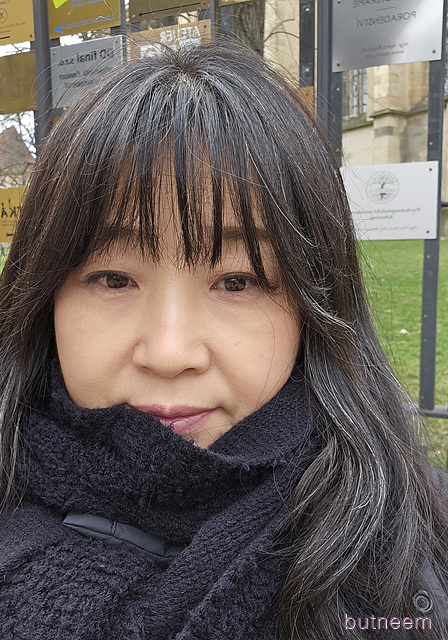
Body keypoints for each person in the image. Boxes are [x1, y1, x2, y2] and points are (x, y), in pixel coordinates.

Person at [0, 41, 446, 640]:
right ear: (43, 295)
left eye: (237, 280)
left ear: (315, 305)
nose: (169, 353)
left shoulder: (416, 548)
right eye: (113, 279)